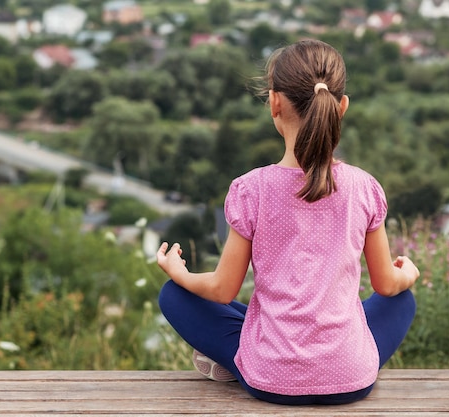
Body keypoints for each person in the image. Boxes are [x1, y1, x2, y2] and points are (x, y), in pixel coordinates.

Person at [156, 39, 419, 406]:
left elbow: (221, 290)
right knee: (402, 301)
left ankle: (241, 360)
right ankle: (334, 356)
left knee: (173, 295)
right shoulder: (364, 187)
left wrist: (178, 272)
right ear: (341, 106)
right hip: (351, 380)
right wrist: (409, 273)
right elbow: (387, 285)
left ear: (274, 102)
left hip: (270, 379)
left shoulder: (251, 190)